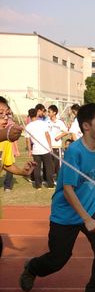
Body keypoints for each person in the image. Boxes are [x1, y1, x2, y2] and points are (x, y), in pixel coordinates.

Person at [19, 103, 95, 292]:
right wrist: (86, 219)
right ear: (86, 126)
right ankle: (32, 268)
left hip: (89, 208)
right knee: (58, 260)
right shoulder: (75, 151)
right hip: (66, 214)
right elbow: (68, 190)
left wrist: (91, 211)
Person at [0, 97, 34, 257]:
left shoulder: (5, 141)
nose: (5, 118)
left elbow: (6, 164)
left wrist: (22, 171)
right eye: (0, 114)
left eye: (8, 114)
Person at [25, 108, 54, 190]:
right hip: (45, 148)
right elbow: (47, 135)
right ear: (37, 114)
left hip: (36, 150)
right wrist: (50, 146)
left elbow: (27, 140)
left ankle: (38, 185)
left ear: (30, 116)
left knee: (36, 168)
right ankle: (50, 185)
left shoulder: (28, 126)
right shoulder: (43, 123)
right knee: (49, 167)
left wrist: (30, 150)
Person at [46, 105, 69, 178]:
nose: (48, 113)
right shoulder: (47, 122)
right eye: (48, 111)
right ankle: (50, 179)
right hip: (48, 147)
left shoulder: (60, 122)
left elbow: (66, 132)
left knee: (58, 165)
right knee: (50, 165)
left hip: (57, 146)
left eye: (49, 112)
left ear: (54, 112)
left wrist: (59, 136)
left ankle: (59, 180)